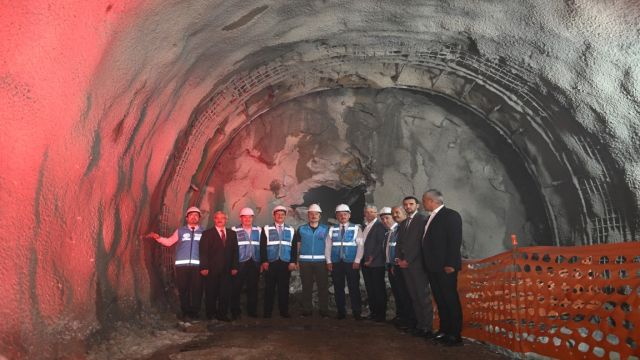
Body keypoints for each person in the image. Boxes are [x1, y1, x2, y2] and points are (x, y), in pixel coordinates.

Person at [421, 189, 464, 346]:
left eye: (424, 200)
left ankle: (455, 334)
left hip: (446, 267)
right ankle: (444, 330)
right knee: (440, 299)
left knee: (450, 299)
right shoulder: (430, 218)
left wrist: (451, 264)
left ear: (432, 201)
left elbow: (454, 241)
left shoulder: (451, 215)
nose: (422, 203)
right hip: (433, 267)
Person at [147, 206, 205, 321]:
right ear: (187, 218)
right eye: (191, 215)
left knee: (197, 289)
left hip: (198, 266)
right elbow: (169, 242)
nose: (193, 217)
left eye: (196, 216)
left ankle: (195, 312)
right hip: (182, 266)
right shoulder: (180, 231)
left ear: (199, 218)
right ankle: (185, 311)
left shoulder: (204, 232)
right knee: (183, 289)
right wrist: (158, 238)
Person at [395, 196, 435, 339]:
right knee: (413, 296)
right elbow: (399, 243)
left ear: (417, 205)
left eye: (411, 204)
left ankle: (428, 327)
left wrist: (408, 260)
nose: (408, 207)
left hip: (417, 265)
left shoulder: (423, 220)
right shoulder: (404, 223)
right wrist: (399, 259)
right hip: (404, 264)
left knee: (423, 296)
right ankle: (420, 325)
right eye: (405, 204)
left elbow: (421, 243)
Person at [325, 204, 364, 320]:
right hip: (336, 262)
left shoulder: (356, 228)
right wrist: (328, 261)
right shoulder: (332, 229)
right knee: (338, 287)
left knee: (354, 288)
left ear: (349, 215)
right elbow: (328, 246)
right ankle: (341, 312)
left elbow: (360, 246)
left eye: (345, 214)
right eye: (340, 214)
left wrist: (357, 260)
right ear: (336, 216)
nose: (343, 216)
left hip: (351, 262)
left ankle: (357, 312)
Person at [200, 211, 239, 322]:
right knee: (211, 292)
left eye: (222, 218)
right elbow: (203, 252)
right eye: (217, 218)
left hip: (227, 270)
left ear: (226, 219)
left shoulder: (232, 234)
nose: (220, 220)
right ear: (214, 219)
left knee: (224, 293)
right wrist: (204, 267)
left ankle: (222, 314)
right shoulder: (207, 233)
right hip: (211, 269)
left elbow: (235, 251)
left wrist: (235, 266)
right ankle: (210, 315)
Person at [293, 204, 330, 318]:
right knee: (307, 286)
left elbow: (329, 246)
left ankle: (323, 311)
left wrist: (329, 261)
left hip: (321, 262)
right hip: (305, 262)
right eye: (311, 214)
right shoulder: (302, 229)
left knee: (323, 286)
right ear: (308, 215)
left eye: (316, 214)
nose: (314, 216)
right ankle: (307, 310)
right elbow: (298, 245)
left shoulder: (326, 229)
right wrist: (296, 260)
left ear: (320, 216)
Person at [382, 206, 415, 330]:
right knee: (398, 293)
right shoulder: (389, 233)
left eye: (388, 217)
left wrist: (396, 263)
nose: (385, 220)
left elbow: (404, 249)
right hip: (393, 266)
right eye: (383, 218)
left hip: (402, 266)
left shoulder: (401, 230)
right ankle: (401, 316)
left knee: (405, 294)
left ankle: (409, 320)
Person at [260, 205, 296, 318]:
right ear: (274, 215)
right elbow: (262, 246)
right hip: (271, 262)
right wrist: (264, 261)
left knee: (284, 289)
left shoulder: (291, 229)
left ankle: (284, 311)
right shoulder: (266, 228)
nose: (280, 216)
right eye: (278, 214)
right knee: (269, 288)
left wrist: (293, 261)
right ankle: (267, 312)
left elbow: (294, 247)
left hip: (285, 262)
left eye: (282, 214)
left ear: (285, 216)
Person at [230, 207, 262, 319]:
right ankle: (235, 311)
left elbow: (262, 247)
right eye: (245, 217)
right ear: (240, 218)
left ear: (253, 218)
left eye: (250, 217)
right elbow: (231, 249)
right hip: (239, 263)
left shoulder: (259, 230)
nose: (247, 219)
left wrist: (262, 263)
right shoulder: (234, 230)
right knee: (236, 288)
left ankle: (252, 311)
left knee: (253, 288)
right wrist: (233, 265)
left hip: (254, 262)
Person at [361, 205, 388, 322]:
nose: (369, 214)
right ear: (364, 214)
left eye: (372, 212)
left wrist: (371, 258)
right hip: (366, 263)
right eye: (367, 212)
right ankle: (374, 312)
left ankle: (381, 315)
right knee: (370, 289)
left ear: (376, 214)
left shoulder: (380, 226)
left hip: (376, 263)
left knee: (378, 289)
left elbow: (380, 244)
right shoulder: (365, 227)